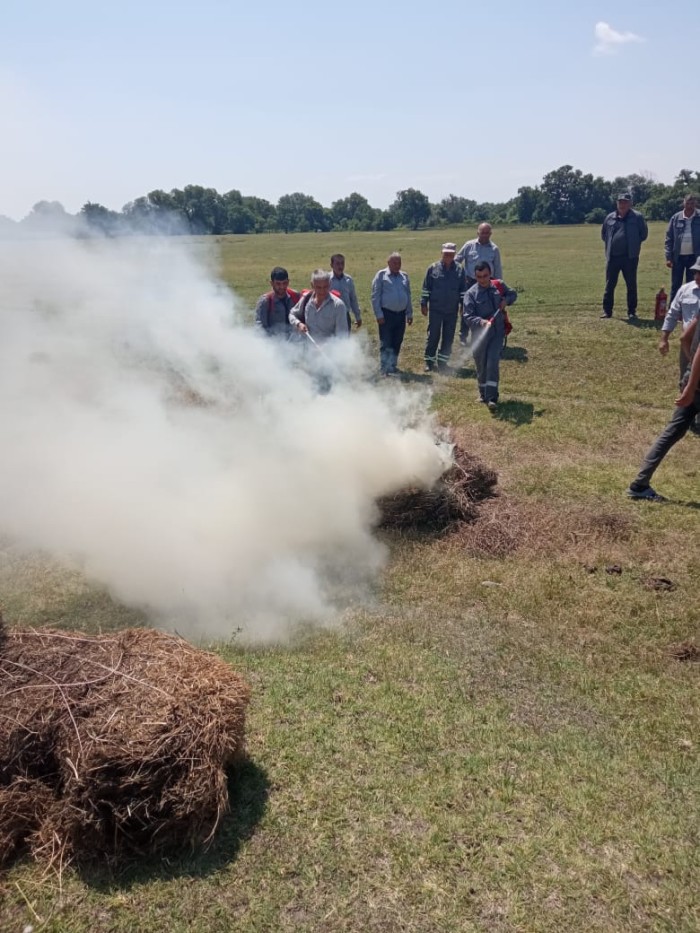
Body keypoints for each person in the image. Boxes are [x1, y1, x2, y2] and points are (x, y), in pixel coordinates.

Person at [627, 315, 700, 500]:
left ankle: (640, 484)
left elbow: (685, 338)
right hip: (695, 383)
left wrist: (691, 368)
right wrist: (692, 387)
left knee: (672, 431)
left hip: (692, 376)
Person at [463, 261, 517, 410]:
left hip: (497, 333)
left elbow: (513, 294)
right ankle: (482, 393)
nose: (483, 279)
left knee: (492, 362)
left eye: (485, 276)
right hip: (479, 335)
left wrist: (506, 300)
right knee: (481, 365)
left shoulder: (498, 286)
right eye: (479, 277)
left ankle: (492, 397)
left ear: (490, 273)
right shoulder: (471, 294)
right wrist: (481, 322)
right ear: (475, 276)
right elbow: (467, 316)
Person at [658, 257, 700, 434]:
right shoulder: (686, 290)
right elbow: (672, 313)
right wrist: (664, 338)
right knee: (687, 379)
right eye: (696, 271)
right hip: (689, 345)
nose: (697, 275)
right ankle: (685, 418)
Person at [600, 192, 648, 319]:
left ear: (630, 203)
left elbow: (643, 235)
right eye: (620, 202)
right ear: (617, 203)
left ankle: (632, 311)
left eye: (625, 202)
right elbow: (604, 235)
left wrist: (633, 245)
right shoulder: (610, 217)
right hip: (613, 257)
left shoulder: (637, 217)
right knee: (610, 284)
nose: (623, 204)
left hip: (630, 257)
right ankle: (607, 311)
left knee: (631, 284)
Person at [421, 243, 468, 372]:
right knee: (433, 336)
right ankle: (429, 362)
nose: (448, 256)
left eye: (451, 254)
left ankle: (442, 362)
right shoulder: (433, 268)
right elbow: (426, 288)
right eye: (446, 253)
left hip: (451, 311)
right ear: (441, 253)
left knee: (448, 337)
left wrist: (462, 305)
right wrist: (423, 303)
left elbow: (463, 290)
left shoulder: (460, 270)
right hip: (436, 309)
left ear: (454, 255)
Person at [456, 224, 503, 346]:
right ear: (478, 233)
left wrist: (498, 286)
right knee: (467, 310)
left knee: (486, 310)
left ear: (491, 234)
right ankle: (463, 335)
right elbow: (457, 260)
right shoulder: (468, 245)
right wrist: (460, 276)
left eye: (487, 233)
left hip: (488, 283)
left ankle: (485, 335)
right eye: (482, 232)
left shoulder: (494, 249)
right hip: (470, 282)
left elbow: (497, 268)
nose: (485, 235)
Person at [371, 252, 413, 376]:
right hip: (386, 314)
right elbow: (375, 296)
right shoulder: (381, 275)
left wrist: (409, 313)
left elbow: (408, 295)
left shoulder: (404, 276)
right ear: (388, 263)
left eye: (399, 262)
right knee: (386, 341)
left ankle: (393, 365)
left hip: (401, 314)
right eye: (394, 262)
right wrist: (379, 315)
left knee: (397, 341)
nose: (397, 265)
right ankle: (384, 368)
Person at [289, 269, 349, 343]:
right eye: (318, 287)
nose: (322, 291)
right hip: (307, 351)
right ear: (312, 285)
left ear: (330, 284)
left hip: (328, 353)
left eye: (325, 287)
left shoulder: (338, 306)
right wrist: (298, 324)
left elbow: (342, 337)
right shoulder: (306, 299)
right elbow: (292, 314)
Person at [664, 194, 700, 301]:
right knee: (676, 285)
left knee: (692, 285)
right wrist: (668, 257)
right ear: (683, 203)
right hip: (677, 258)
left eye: (692, 203)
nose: (689, 206)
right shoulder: (676, 218)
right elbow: (669, 238)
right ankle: (673, 310)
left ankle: (689, 310)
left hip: (695, 258)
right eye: (687, 203)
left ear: (695, 204)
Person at [254, 267, 301, 338]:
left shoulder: (296, 296)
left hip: (295, 343)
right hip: (274, 344)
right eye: (278, 284)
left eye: (284, 283)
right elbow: (260, 328)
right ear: (271, 283)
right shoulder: (265, 301)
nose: (282, 287)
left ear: (288, 282)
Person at [329, 254, 362, 331]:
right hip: (330, 316)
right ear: (331, 265)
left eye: (342, 263)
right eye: (337, 263)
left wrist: (358, 316)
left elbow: (353, 299)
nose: (340, 266)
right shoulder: (326, 280)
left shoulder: (348, 280)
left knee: (344, 341)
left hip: (345, 316)